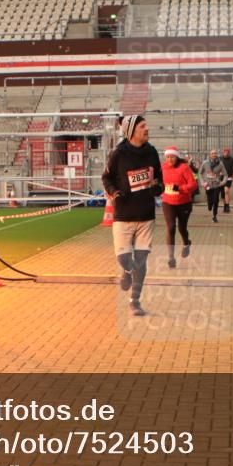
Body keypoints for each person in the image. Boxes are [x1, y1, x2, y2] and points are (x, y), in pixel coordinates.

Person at [101, 115, 164, 316]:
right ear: (131, 131)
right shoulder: (118, 153)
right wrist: (114, 192)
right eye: (143, 126)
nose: (147, 129)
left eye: (146, 125)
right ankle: (126, 271)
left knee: (142, 260)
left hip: (146, 215)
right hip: (123, 214)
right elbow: (106, 177)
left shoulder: (152, 151)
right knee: (125, 259)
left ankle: (134, 300)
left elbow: (159, 179)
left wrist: (158, 187)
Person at [160, 147, 198, 268]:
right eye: (167, 157)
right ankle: (171, 258)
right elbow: (158, 180)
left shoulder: (184, 168)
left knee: (182, 228)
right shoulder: (163, 167)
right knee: (171, 228)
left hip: (183, 203)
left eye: (172, 157)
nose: (169, 159)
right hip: (168, 202)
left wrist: (180, 188)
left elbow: (193, 185)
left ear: (177, 157)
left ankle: (186, 244)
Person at [198, 149, 228, 222]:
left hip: (216, 185)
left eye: (215, 153)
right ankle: (209, 206)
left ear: (217, 155)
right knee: (210, 203)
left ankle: (214, 216)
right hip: (208, 185)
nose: (214, 155)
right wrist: (202, 182)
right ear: (210, 155)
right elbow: (200, 173)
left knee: (216, 201)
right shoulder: (205, 163)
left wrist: (222, 182)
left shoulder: (220, 164)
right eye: (212, 153)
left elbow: (226, 175)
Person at [220, 148, 233, 213]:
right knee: (222, 194)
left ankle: (227, 206)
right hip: (221, 178)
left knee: (226, 190)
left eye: (227, 152)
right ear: (223, 152)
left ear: (229, 153)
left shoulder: (232, 159)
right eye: (225, 152)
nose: (226, 153)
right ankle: (225, 206)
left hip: (229, 177)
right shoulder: (220, 159)